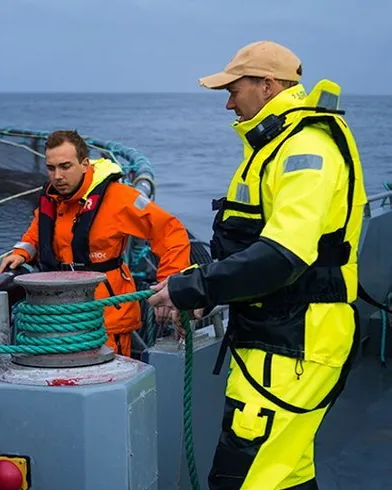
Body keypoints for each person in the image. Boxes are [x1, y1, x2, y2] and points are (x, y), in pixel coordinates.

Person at [148, 40, 367, 489]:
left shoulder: (306, 149)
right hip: (276, 338)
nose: (228, 102)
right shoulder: (270, 146)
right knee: (287, 476)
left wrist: (195, 288)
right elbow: (249, 248)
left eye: (234, 89)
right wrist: (211, 296)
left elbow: (282, 255)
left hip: (295, 347)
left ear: (268, 86)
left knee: (239, 481)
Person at [0, 129, 192, 357]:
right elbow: (38, 232)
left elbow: (171, 231)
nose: (57, 176)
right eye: (51, 168)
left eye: (65, 166)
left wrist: (169, 282)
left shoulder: (120, 198)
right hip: (59, 317)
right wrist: (22, 251)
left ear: (85, 164)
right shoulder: (53, 201)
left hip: (107, 319)